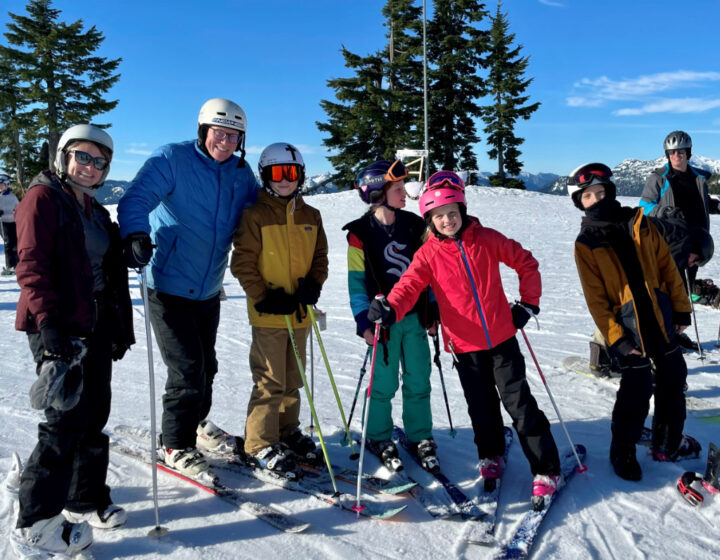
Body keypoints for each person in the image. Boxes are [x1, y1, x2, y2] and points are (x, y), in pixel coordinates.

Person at [368, 171, 561, 499]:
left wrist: (528, 304)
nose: (447, 221)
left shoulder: (485, 238)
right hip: (464, 346)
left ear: (463, 210)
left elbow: (526, 263)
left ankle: (546, 468)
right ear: (429, 218)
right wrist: (390, 308)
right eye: (439, 216)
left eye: (452, 213)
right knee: (481, 406)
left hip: (502, 338)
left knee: (520, 404)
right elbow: (409, 286)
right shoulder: (428, 254)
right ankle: (490, 454)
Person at [117, 98, 259, 478]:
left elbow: (260, 215)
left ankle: (194, 424)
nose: (225, 142)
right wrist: (134, 234)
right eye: (219, 132)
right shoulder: (172, 159)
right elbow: (136, 198)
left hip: (209, 286)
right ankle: (174, 444)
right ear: (203, 130)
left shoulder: (242, 174)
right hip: (165, 282)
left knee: (207, 367)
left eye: (233, 135)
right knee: (186, 368)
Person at [12, 124, 134, 556]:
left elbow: (108, 265)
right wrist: (48, 326)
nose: (90, 167)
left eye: (99, 162)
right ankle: (36, 522)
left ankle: (84, 496)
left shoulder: (96, 211)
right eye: (82, 157)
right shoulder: (42, 199)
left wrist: (131, 249)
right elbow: (31, 266)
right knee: (62, 422)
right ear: (63, 157)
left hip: (95, 323)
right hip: (59, 325)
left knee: (93, 413)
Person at [570, 162, 700, 481]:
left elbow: (669, 269)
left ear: (610, 191)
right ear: (580, 202)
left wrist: (682, 310)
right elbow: (596, 300)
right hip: (629, 332)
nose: (598, 199)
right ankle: (623, 452)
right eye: (589, 196)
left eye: (601, 192)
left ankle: (666, 443)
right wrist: (616, 338)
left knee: (673, 379)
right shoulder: (586, 243)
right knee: (636, 392)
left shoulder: (640, 224)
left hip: (661, 318)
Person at [230, 142, 328, 476]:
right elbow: (242, 263)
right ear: (265, 176)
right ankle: (259, 442)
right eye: (276, 173)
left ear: (300, 175)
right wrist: (263, 296)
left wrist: (314, 284)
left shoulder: (310, 215)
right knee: (270, 379)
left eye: (290, 173)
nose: (283, 180)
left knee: (293, 377)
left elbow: (320, 258)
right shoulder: (255, 214)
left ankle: (286, 430)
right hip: (268, 313)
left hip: (298, 312)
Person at [342, 159, 439, 472]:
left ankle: (420, 435)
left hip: (414, 318)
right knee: (383, 383)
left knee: (419, 378)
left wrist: (434, 308)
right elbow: (356, 282)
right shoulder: (359, 234)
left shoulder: (415, 226)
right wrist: (362, 320)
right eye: (397, 188)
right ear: (376, 194)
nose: (405, 193)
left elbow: (432, 272)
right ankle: (379, 435)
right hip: (382, 323)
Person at [639, 130, 719, 349]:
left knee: (684, 289)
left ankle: (676, 332)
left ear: (688, 153)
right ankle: (665, 335)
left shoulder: (698, 177)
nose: (677, 156)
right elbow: (644, 206)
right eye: (672, 152)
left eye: (681, 151)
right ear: (667, 154)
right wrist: (664, 212)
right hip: (670, 242)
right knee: (668, 289)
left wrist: (715, 206)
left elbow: (700, 203)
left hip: (696, 243)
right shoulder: (659, 177)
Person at [0, 173, 19, 275]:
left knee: (15, 243)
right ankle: (9, 265)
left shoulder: (13, 197)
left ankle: (17, 264)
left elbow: (19, 207)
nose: (0, 187)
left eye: (2, 185)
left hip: (13, 222)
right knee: (8, 243)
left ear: (7, 185)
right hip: (4, 223)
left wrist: (16, 211)